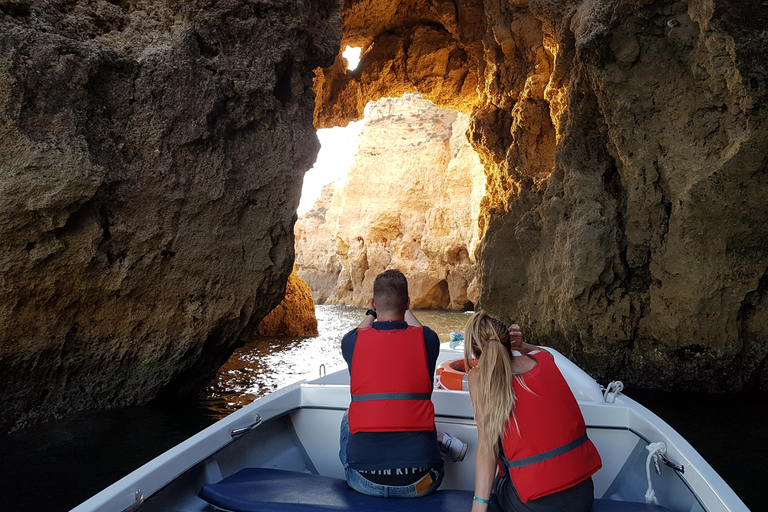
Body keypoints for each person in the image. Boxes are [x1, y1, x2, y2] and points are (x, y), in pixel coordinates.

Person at [339, 269, 467, 498]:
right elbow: (417, 329)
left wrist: (371, 312)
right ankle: (440, 442)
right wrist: (406, 309)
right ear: (408, 303)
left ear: (373, 304)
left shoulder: (352, 342)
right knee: (418, 414)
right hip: (422, 481)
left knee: (349, 415)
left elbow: (361, 329)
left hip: (363, 480)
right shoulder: (427, 340)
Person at [464, 311, 602, 512]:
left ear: (475, 353)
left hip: (535, 507)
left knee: (497, 462)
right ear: (508, 343)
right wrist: (523, 346)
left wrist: (479, 506)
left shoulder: (478, 379)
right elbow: (544, 353)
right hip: (583, 497)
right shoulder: (544, 360)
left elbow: (488, 450)